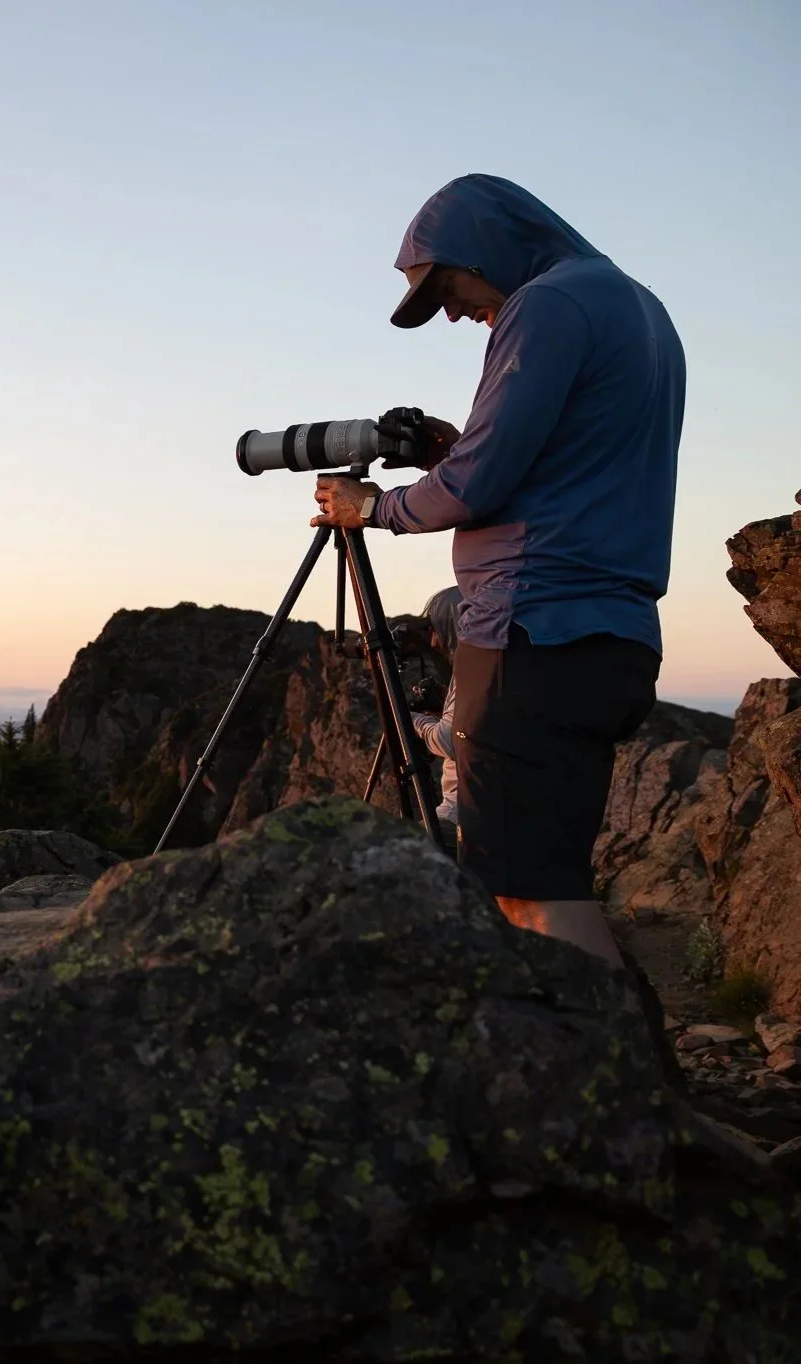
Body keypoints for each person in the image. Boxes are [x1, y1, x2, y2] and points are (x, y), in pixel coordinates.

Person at [310, 174, 684, 969]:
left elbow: (477, 486)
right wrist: (462, 450)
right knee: (548, 875)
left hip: (530, 628)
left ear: (488, 246)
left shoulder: (543, 305)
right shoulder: (638, 308)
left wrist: (370, 507)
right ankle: (624, 1077)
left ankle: (616, 1086)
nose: (450, 311)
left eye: (447, 285)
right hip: (608, 634)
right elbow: (570, 461)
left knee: (525, 892)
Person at [411, 585, 464, 850]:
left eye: (436, 629)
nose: (434, 641)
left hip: (458, 820)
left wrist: (412, 721)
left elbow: (449, 741)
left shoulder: (469, 671)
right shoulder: (503, 667)